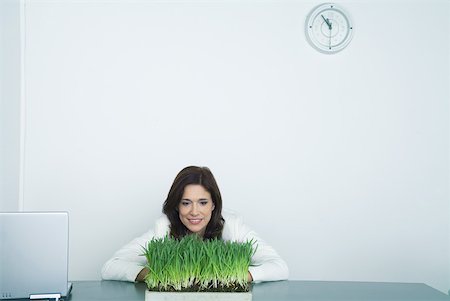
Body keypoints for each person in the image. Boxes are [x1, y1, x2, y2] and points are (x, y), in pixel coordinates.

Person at [101, 166, 289, 283]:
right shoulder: (163, 230)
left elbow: (280, 267)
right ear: (176, 205)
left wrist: (235, 275)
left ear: (214, 204)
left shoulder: (233, 227)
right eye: (185, 202)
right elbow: (110, 267)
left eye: (203, 202)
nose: (194, 212)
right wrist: (157, 275)